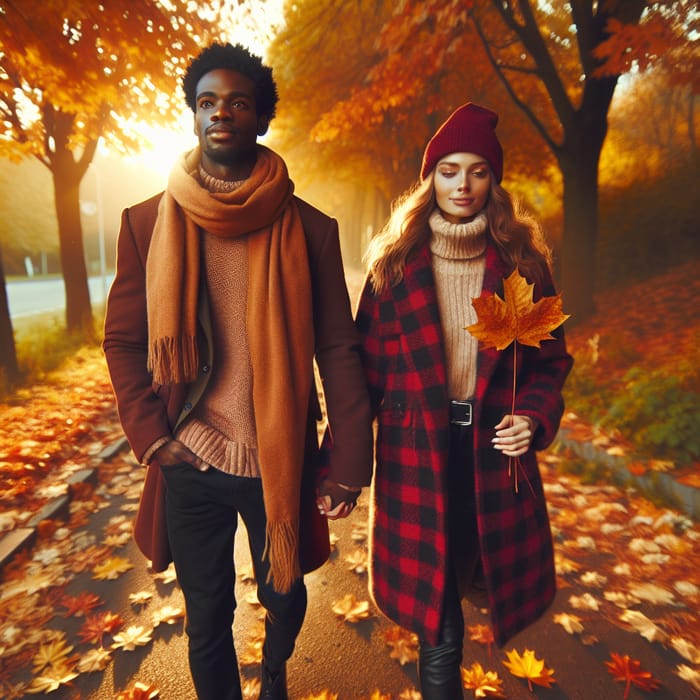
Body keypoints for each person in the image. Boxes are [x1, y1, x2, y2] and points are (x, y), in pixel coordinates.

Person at [103, 42, 373, 700]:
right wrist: (152, 437)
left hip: (277, 458)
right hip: (189, 457)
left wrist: (348, 463)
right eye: (206, 102)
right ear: (193, 116)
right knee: (206, 618)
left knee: (285, 597)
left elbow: (338, 348)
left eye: (238, 103)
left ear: (260, 118)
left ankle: (275, 671)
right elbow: (122, 342)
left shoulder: (310, 229)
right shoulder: (145, 223)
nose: (220, 113)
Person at [354, 103, 573, 698]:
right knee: (439, 615)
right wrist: (338, 469)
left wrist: (531, 417)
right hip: (414, 451)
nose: (463, 185)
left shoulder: (522, 266)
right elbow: (363, 378)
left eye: (478, 171)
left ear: (493, 180)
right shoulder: (393, 269)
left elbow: (550, 363)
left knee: (480, 579)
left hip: (491, 453)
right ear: (430, 179)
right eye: (449, 170)